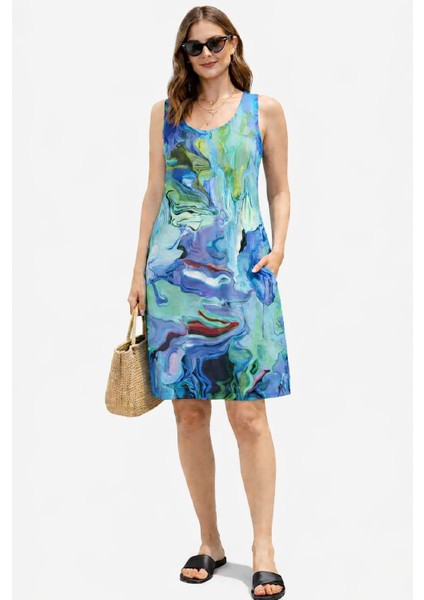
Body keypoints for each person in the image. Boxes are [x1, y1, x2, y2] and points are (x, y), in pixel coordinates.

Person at [127, 6, 291, 599]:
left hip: (243, 273)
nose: (206, 54)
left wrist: (278, 250)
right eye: (194, 47)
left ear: (233, 43)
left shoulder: (263, 111)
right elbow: (154, 192)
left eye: (215, 42)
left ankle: (263, 547)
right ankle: (210, 540)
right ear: (183, 54)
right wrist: (138, 271)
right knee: (189, 414)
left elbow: (279, 187)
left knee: (248, 416)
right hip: (174, 278)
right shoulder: (165, 114)